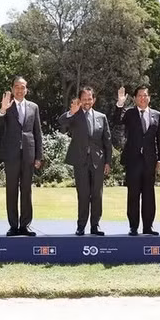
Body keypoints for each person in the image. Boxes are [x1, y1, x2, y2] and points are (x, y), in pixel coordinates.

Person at [58, 87, 112, 236]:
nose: (87, 102)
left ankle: (95, 225)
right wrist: (72, 112)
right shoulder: (75, 115)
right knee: (83, 194)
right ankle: (81, 226)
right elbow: (61, 121)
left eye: (89, 99)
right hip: (80, 161)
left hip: (98, 161)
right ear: (80, 100)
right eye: (84, 99)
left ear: (94, 100)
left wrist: (108, 162)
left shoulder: (102, 117)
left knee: (96, 195)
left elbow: (107, 141)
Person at [112, 85, 160, 236]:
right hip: (133, 160)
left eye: (145, 95)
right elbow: (116, 121)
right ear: (135, 99)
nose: (143, 98)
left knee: (149, 194)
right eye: (140, 95)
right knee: (133, 194)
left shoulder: (157, 115)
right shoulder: (129, 113)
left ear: (149, 98)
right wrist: (120, 104)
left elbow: (159, 139)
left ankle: (148, 226)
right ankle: (133, 226)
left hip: (150, 161)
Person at [0, 76, 43, 236]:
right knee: (11, 190)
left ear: (26, 89)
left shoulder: (33, 107)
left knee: (26, 190)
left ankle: (25, 225)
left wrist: (39, 156)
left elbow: (38, 132)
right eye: (17, 87)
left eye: (22, 87)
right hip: (11, 154)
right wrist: (2, 110)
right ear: (12, 88)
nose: (20, 90)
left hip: (29, 154)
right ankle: (13, 225)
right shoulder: (7, 106)